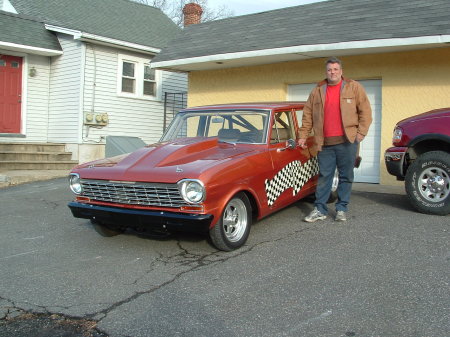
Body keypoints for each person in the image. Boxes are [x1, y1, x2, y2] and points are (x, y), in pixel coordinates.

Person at [298, 57, 372, 222]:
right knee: (325, 176)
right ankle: (320, 209)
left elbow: (365, 111)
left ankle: (341, 209)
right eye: (330, 70)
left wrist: (361, 133)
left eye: (336, 69)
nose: (332, 72)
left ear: (341, 71)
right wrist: (303, 135)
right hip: (325, 144)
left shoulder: (353, 87)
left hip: (347, 141)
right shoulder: (317, 91)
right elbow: (308, 115)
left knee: (346, 176)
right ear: (326, 72)